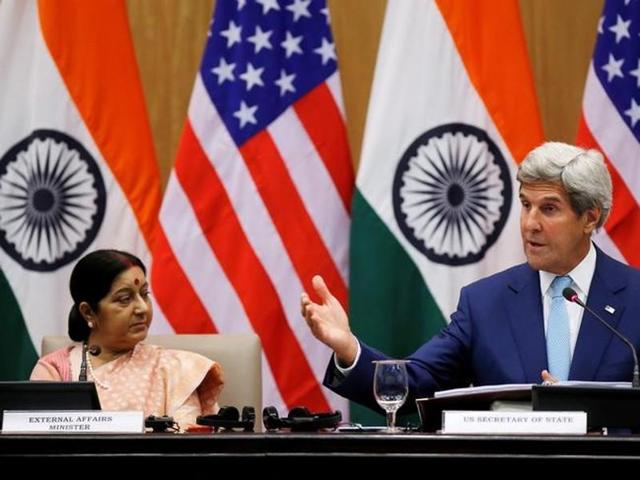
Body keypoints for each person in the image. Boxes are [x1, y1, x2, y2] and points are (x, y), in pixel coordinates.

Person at [301, 141, 640, 414]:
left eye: (549, 209)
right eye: (526, 205)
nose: (529, 224)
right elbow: (415, 384)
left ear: (589, 218)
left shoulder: (634, 297)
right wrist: (349, 349)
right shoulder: (485, 303)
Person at [31, 249, 224, 430]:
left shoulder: (176, 369)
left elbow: (187, 449)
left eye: (144, 295)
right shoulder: (55, 370)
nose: (142, 308)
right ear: (89, 312)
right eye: (125, 299)